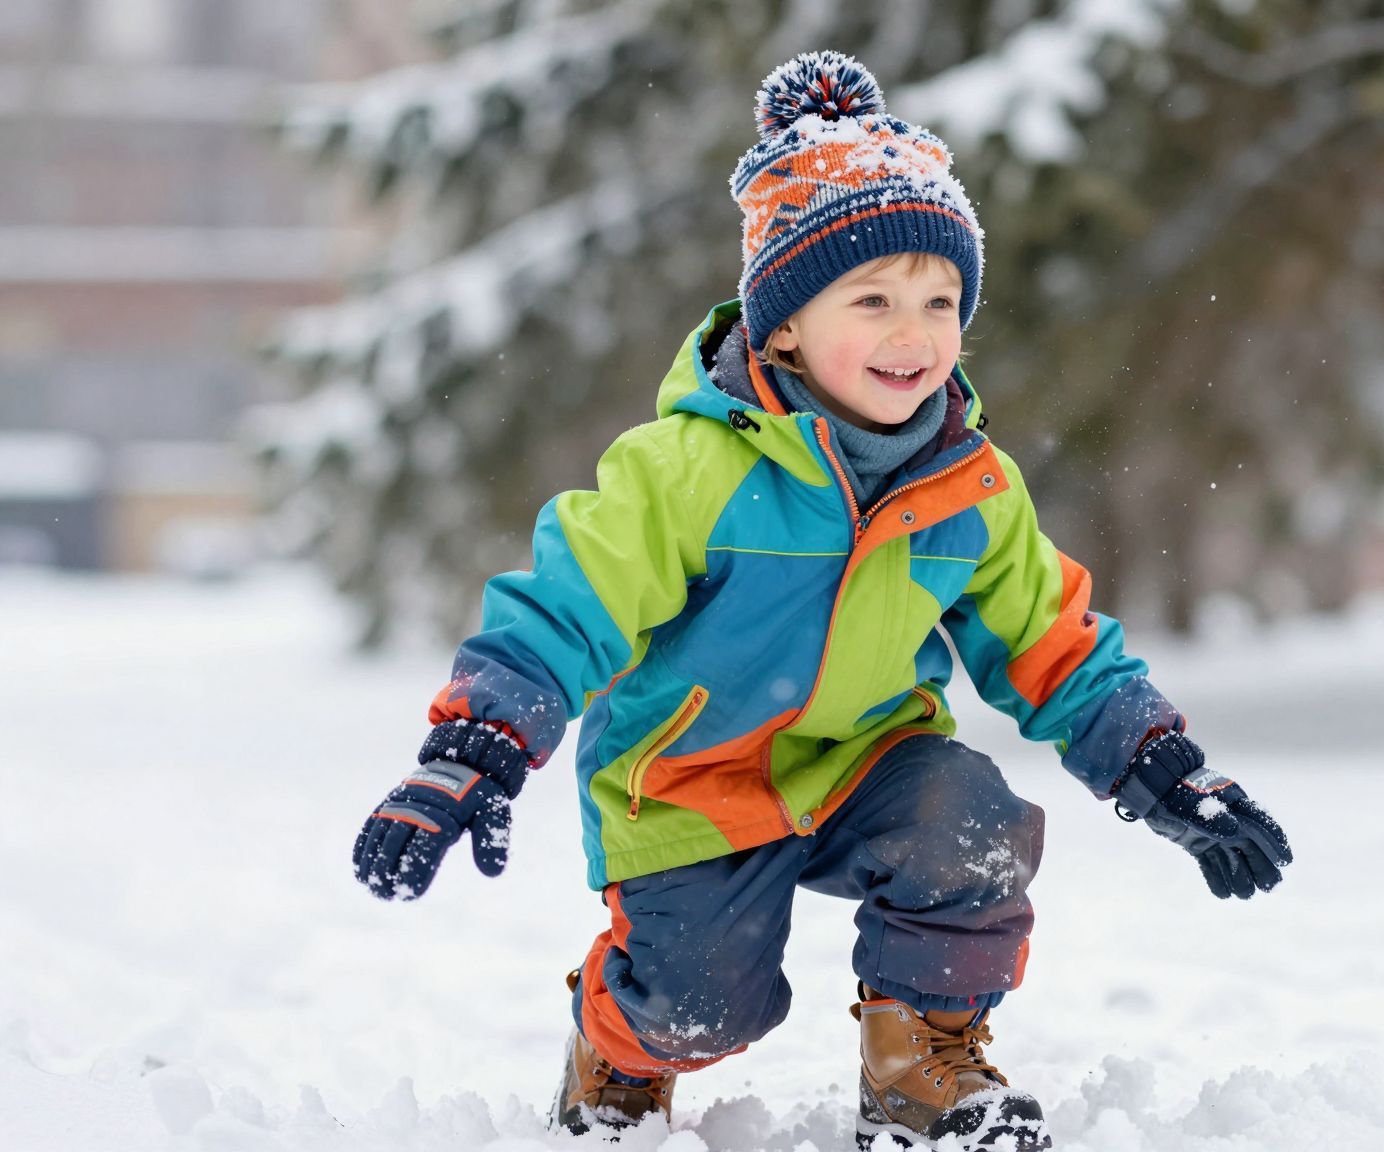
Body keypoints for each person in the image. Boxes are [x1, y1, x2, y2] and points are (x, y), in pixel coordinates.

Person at [349, 50, 1292, 1150]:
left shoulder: (966, 485)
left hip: (865, 764)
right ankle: (619, 1043)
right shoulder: (682, 471)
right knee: (702, 1008)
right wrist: (474, 746)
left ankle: (919, 1069)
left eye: (941, 301)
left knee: (971, 822)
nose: (915, 334)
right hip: (691, 783)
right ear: (786, 322)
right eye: (874, 300)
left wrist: (1161, 767)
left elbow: (1056, 646)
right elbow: (566, 605)